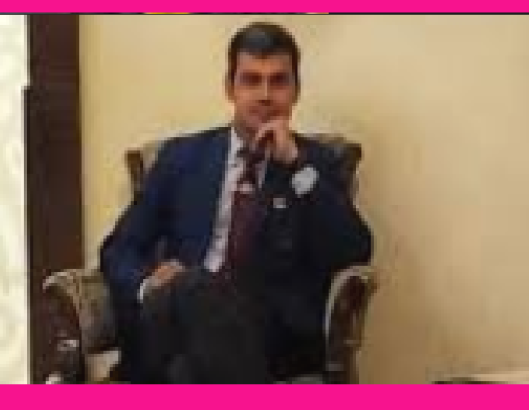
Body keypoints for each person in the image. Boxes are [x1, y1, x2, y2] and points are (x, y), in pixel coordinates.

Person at [100, 21, 373, 383]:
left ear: (296, 91)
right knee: (192, 292)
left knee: (185, 370)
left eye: (278, 81)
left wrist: (296, 165)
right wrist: (150, 284)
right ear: (230, 88)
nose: (265, 95)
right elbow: (118, 250)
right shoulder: (181, 158)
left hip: (269, 337)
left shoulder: (315, 164)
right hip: (175, 319)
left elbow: (354, 251)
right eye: (251, 80)